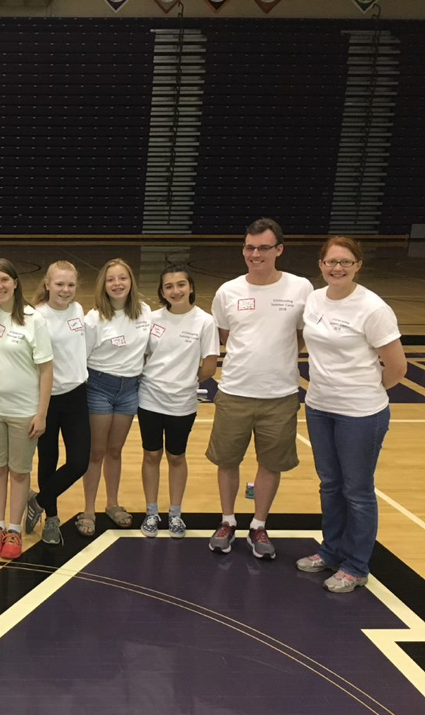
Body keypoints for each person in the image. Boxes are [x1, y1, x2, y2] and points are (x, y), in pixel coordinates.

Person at [296, 236, 406, 592]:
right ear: (321, 264)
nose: (337, 268)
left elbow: (397, 367)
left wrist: (364, 391)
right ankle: (331, 551)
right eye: (331, 262)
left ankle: (357, 566)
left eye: (345, 262)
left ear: (358, 265)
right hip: (318, 406)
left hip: (360, 414)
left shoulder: (372, 308)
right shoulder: (314, 299)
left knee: (357, 490)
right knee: (330, 485)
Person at [206, 218, 314, 559]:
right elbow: (224, 337)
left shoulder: (300, 289)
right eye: (250, 248)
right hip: (235, 391)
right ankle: (227, 521)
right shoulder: (228, 291)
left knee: (271, 463)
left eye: (264, 248)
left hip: (280, 395)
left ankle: (258, 525)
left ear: (279, 250)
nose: (256, 254)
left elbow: (301, 336)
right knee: (227, 461)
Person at [137, 264, 219, 539]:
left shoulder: (204, 321)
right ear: (162, 291)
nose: (176, 290)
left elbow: (209, 365)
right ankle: (151, 512)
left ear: (191, 287)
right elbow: (143, 355)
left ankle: (175, 513)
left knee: (176, 456)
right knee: (151, 454)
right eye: (169, 286)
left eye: (181, 284)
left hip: (182, 403)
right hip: (149, 398)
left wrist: (183, 381)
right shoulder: (153, 318)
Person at [0, 258, 53, 560]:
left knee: (20, 472)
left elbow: (47, 370)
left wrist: (41, 413)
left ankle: (14, 529)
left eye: (4, 280)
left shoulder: (33, 319)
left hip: (25, 411)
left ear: (15, 282)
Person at [80, 259, 152, 536]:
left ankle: (112, 503)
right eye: (111, 279)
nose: (117, 283)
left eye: (123, 278)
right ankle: (88, 509)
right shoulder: (94, 318)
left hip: (130, 389)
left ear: (131, 281)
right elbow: (81, 359)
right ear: (104, 285)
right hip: (99, 386)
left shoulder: (145, 312)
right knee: (96, 452)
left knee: (115, 451)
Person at [24, 261, 89, 546]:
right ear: (47, 284)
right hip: (47, 398)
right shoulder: (36, 316)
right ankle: (52, 518)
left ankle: (37, 501)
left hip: (76, 395)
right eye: (60, 284)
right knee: (47, 460)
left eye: (71, 285)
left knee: (78, 462)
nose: (65, 290)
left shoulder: (78, 310)